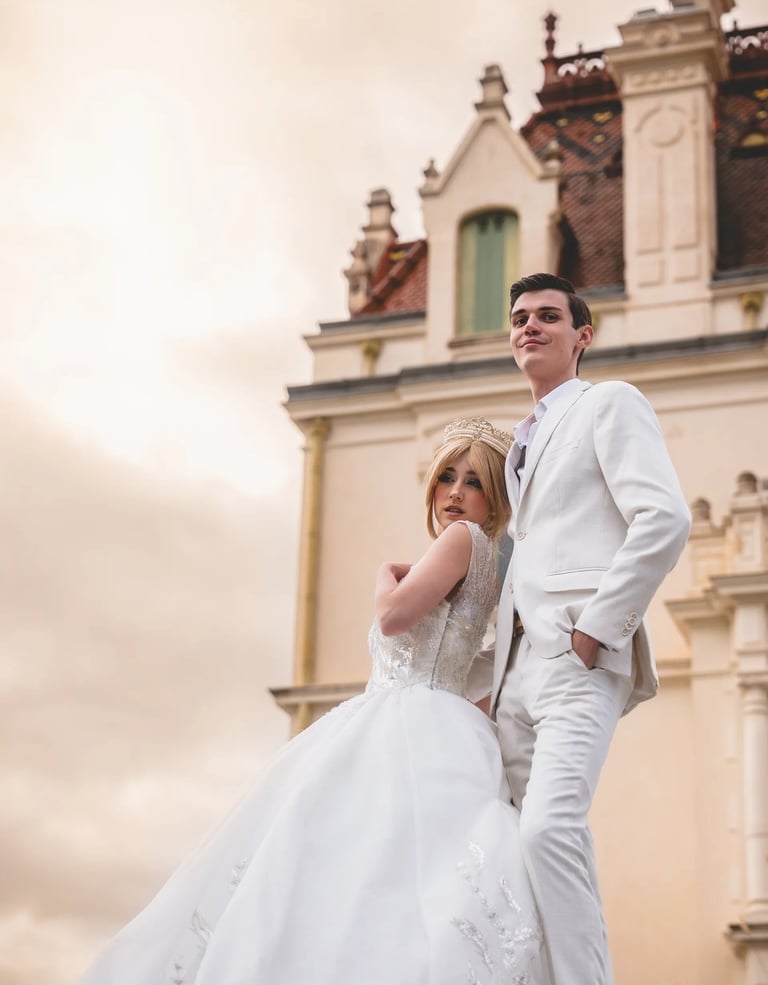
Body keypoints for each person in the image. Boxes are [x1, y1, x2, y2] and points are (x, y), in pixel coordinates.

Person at [77, 417, 549, 985]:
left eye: (472, 482)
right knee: (396, 877)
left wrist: (384, 576)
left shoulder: (459, 541)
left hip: (402, 716)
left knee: (328, 868)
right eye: (446, 475)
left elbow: (394, 618)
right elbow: (483, 668)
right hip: (443, 723)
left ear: (495, 495)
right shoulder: (493, 564)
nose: (453, 491)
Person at [488, 273, 691, 985]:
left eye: (548, 315)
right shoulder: (518, 445)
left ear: (583, 335)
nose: (530, 326)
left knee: (550, 828)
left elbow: (664, 518)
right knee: (519, 844)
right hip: (514, 671)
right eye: (519, 317)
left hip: (578, 656)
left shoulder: (610, 403)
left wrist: (597, 628)